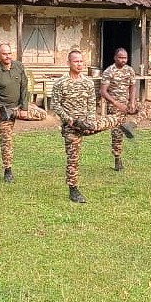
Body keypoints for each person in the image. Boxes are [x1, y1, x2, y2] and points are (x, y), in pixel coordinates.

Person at [52, 49, 134, 203]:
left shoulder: (87, 83)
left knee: (107, 120)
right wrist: (70, 120)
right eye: (76, 61)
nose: (79, 64)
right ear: (68, 63)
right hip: (71, 126)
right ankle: (74, 190)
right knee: (73, 158)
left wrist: (89, 122)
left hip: (86, 122)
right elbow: (55, 105)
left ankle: (122, 124)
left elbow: (91, 104)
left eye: (81, 61)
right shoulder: (61, 83)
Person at [0, 42, 47, 183]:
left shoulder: (19, 66)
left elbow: (24, 88)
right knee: (6, 142)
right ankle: (8, 171)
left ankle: (13, 113)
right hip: (3, 112)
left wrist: (24, 108)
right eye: (4, 54)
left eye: (9, 53)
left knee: (43, 114)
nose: (7, 56)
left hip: (18, 108)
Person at [99, 47, 139, 172]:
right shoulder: (109, 71)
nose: (123, 60)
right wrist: (116, 103)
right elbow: (103, 91)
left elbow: (133, 86)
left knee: (146, 107)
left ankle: (131, 125)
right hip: (115, 106)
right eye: (120, 58)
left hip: (127, 104)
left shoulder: (130, 70)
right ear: (115, 58)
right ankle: (117, 159)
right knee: (117, 133)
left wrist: (132, 102)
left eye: (125, 58)